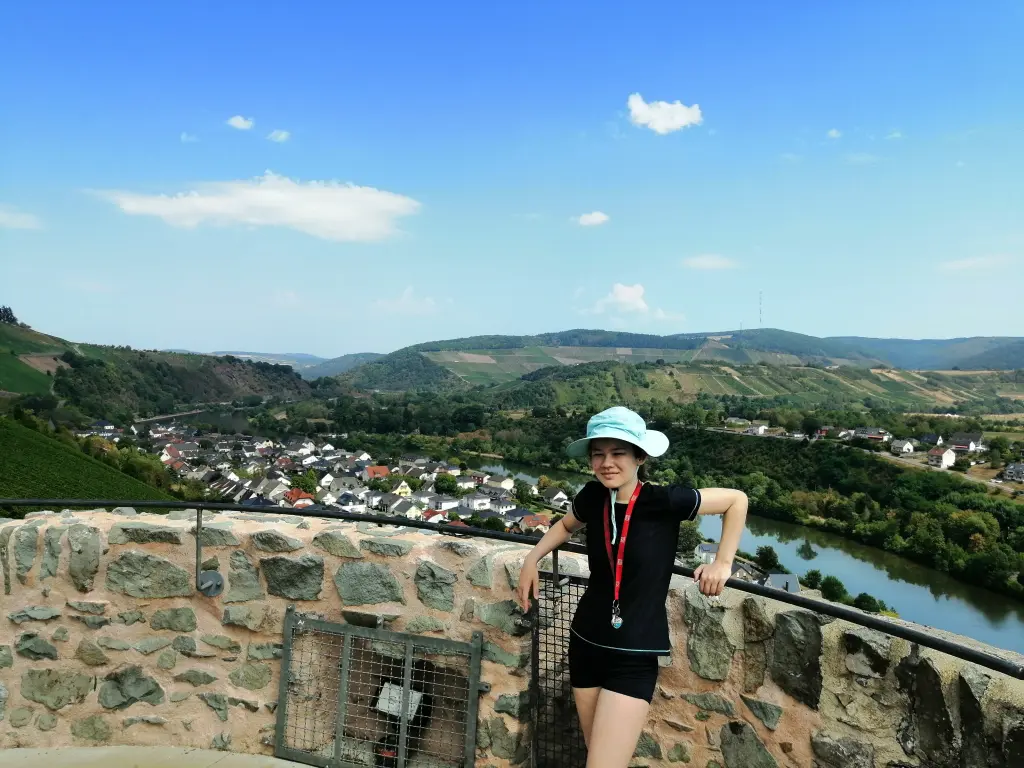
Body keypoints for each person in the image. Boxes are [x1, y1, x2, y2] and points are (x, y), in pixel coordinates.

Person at [517, 406, 747, 768]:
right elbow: (564, 526)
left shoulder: (664, 501)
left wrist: (722, 562)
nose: (606, 462)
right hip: (585, 642)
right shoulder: (592, 496)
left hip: (634, 655)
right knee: (598, 755)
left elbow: (736, 500)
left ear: (640, 456)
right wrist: (533, 558)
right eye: (598, 453)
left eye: (618, 452)